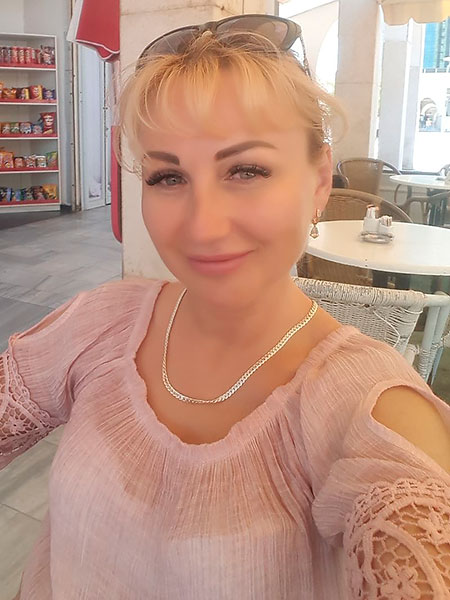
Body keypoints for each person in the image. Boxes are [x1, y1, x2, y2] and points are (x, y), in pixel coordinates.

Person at [1, 14, 449, 600]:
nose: (203, 226)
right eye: (168, 177)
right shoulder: (101, 323)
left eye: (246, 169)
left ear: (319, 180)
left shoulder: (368, 407)